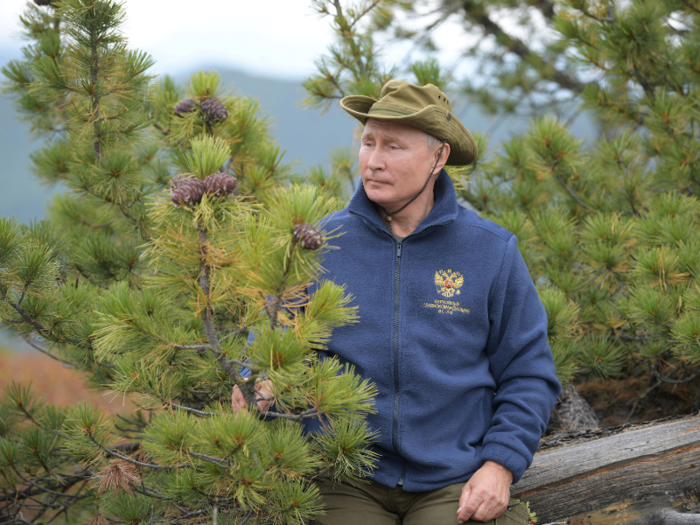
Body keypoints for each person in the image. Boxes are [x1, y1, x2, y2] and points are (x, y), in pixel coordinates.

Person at [232, 80, 561, 525]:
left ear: (439, 157)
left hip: (453, 478)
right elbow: (266, 350)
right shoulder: (318, 245)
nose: (374, 161)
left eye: (394, 146)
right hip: (340, 477)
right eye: (368, 142)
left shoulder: (490, 252)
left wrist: (499, 465)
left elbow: (529, 374)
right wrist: (257, 382)